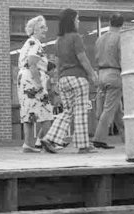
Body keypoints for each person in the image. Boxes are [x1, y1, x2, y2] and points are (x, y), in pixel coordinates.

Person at [41, 8, 99, 154]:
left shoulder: (59, 40)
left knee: (67, 111)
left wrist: (57, 81)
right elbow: (82, 58)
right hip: (78, 78)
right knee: (80, 112)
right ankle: (83, 145)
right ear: (72, 21)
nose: (78, 21)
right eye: (77, 18)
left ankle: (50, 138)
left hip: (64, 79)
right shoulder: (75, 37)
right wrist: (92, 74)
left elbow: (58, 63)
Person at [17, 15, 53, 153]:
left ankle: (28, 144)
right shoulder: (35, 43)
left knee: (28, 112)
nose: (45, 29)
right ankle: (43, 141)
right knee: (47, 113)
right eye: (42, 27)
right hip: (32, 79)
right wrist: (39, 84)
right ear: (34, 30)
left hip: (23, 79)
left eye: (45, 26)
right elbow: (32, 63)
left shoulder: (28, 43)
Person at [91, 13, 125, 149]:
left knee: (117, 110)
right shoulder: (120, 38)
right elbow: (123, 58)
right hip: (114, 73)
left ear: (109, 23)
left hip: (101, 73)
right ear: (122, 24)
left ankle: (127, 138)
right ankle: (99, 139)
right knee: (109, 108)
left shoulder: (100, 38)